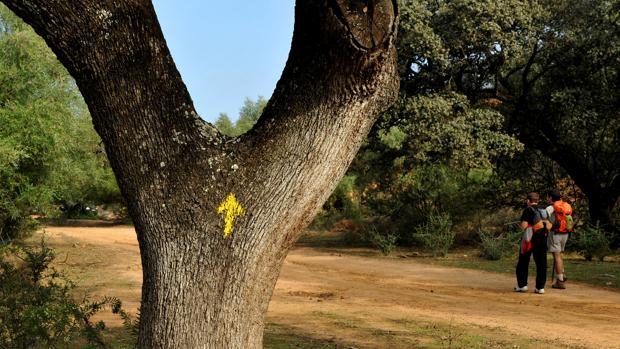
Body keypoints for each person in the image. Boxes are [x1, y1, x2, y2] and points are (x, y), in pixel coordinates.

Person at [515, 192, 550, 294]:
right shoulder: (544, 209)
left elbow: (524, 225)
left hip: (529, 239)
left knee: (523, 261)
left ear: (528, 201)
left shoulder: (528, 209)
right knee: (541, 262)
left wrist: (521, 224)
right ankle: (540, 287)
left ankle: (522, 285)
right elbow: (548, 224)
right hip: (542, 238)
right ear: (537, 200)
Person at [546, 189, 572, 289]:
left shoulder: (550, 208)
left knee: (556, 256)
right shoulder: (565, 205)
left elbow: (544, 219)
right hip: (565, 233)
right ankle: (562, 273)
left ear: (551, 198)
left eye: (548, 196)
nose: (547, 198)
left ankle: (560, 281)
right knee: (559, 254)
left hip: (555, 234)